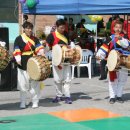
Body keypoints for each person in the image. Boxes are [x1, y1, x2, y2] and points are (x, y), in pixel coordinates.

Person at [13, 21, 45, 109]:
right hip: (22, 64)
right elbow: (16, 49)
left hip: (34, 63)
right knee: (23, 84)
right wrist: (18, 58)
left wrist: (41, 52)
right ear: (24, 29)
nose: (29, 30)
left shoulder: (35, 39)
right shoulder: (18, 39)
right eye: (27, 28)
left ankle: (35, 101)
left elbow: (39, 48)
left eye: (31, 28)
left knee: (35, 84)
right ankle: (23, 102)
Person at [96, 21, 129, 104]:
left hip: (123, 61)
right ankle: (112, 96)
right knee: (113, 80)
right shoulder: (110, 38)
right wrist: (100, 54)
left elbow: (126, 45)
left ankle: (119, 95)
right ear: (113, 28)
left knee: (122, 80)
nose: (118, 29)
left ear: (122, 29)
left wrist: (120, 38)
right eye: (116, 27)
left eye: (120, 27)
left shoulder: (125, 37)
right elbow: (103, 48)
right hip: (112, 61)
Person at [46, 19, 72, 104]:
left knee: (67, 79)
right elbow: (48, 47)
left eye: (64, 28)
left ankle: (68, 96)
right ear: (57, 27)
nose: (63, 29)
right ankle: (58, 95)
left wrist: (68, 47)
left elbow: (70, 45)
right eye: (61, 28)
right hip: (57, 61)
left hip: (66, 60)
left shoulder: (66, 35)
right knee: (57, 79)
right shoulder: (51, 36)